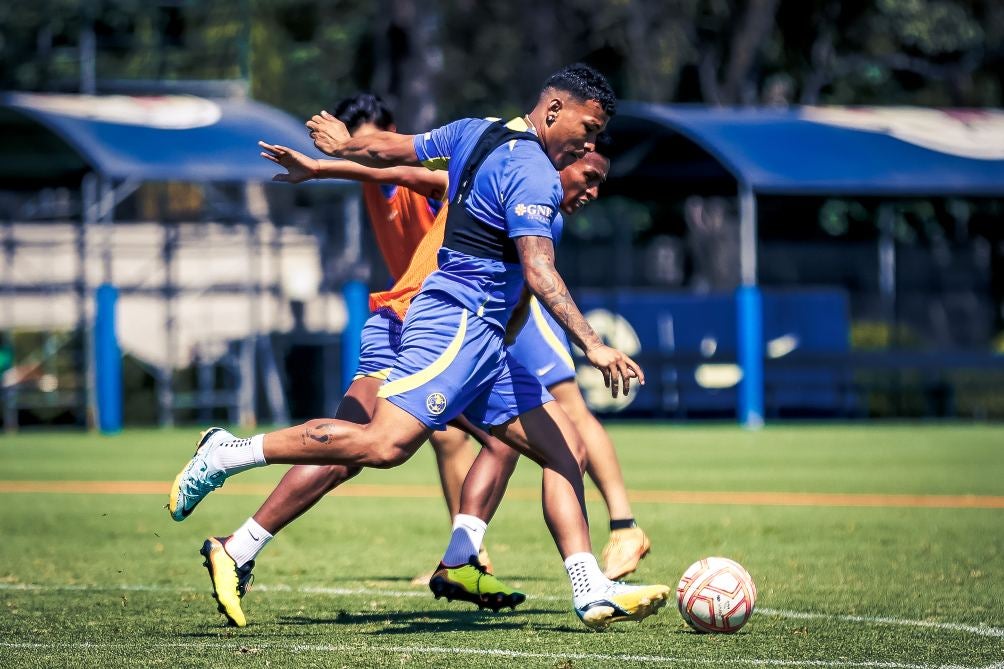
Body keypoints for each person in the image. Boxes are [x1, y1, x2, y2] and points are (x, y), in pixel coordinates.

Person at [169, 63, 669, 631]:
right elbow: (536, 269)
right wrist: (593, 346)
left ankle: (587, 589)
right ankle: (228, 454)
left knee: (563, 450)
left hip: (484, 341)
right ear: (554, 109)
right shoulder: (531, 172)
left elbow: (395, 150)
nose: (590, 142)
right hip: (454, 323)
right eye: (589, 127)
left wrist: (343, 150)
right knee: (383, 446)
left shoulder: (477, 130)